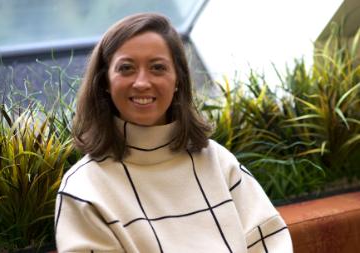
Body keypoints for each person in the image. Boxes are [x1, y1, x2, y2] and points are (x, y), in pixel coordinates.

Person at [54, 12, 293, 253]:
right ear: (104, 81)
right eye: (126, 68)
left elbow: (272, 243)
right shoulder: (83, 189)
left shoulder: (218, 162)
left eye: (157, 68)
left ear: (178, 78)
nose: (142, 82)